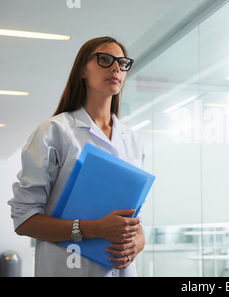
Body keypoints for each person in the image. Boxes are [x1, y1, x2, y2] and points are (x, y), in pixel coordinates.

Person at [8, 37, 145, 277]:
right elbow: (24, 219)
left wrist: (138, 243)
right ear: (82, 69)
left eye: (122, 63)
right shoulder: (55, 131)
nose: (116, 68)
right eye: (105, 59)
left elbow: (135, 219)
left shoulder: (132, 139)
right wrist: (94, 229)